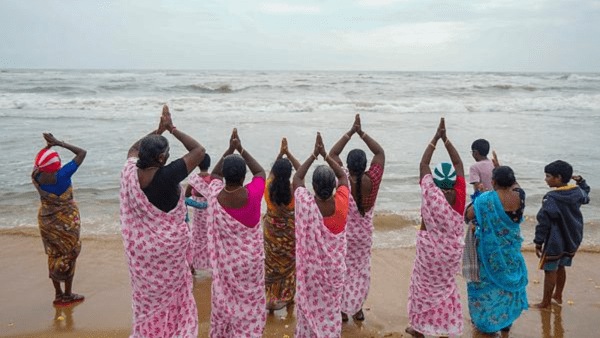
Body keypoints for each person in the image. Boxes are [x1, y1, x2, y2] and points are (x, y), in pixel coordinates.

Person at [119, 105, 205, 337]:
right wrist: (171, 128)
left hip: (142, 251)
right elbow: (199, 150)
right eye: (166, 153)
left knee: (147, 300)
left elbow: (133, 148)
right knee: (173, 299)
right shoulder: (167, 176)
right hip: (167, 253)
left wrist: (158, 131)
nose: (168, 156)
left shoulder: (129, 171)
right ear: (160, 158)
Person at [188, 128, 267, 337]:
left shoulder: (214, 195)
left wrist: (229, 149)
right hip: (250, 263)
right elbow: (260, 172)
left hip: (227, 264)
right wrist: (240, 148)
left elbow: (214, 175)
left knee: (227, 301)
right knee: (250, 303)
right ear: (243, 176)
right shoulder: (253, 193)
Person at [405, 118, 466, 338]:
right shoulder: (459, 197)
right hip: (451, 251)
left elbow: (423, 165)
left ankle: (420, 328)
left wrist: (435, 138)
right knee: (445, 289)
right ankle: (444, 328)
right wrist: (446, 139)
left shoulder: (430, 191)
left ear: (436, 181)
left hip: (430, 250)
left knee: (423, 288)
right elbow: (458, 165)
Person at [329, 114, 385, 322]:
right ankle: (357, 308)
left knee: (344, 269)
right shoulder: (373, 179)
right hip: (363, 237)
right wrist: (361, 132)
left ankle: (343, 310)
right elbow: (379, 152)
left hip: (344, 235)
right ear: (365, 166)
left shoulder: (341, 178)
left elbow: (333, 153)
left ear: (349, 166)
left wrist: (350, 132)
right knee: (360, 272)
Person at [293, 132, 350, 338]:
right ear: (334, 186)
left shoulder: (306, 204)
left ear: (314, 187)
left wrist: (313, 155)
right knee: (330, 310)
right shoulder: (343, 204)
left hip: (311, 272)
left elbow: (297, 178)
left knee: (309, 310)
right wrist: (325, 155)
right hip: (334, 271)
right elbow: (343, 176)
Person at [465, 165, 528, 334]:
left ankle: (486, 322)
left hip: (489, 253)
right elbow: (516, 186)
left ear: (493, 181)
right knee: (506, 285)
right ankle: (506, 321)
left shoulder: (485, 199)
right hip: (510, 251)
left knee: (486, 285)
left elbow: (467, 215)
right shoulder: (520, 196)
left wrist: (478, 195)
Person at [31, 133, 87, 306]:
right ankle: (68, 295)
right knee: (69, 255)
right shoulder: (62, 175)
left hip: (47, 221)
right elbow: (82, 153)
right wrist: (58, 143)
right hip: (67, 222)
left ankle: (58, 294)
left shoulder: (36, 176)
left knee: (54, 255)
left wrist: (47, 147)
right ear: (56, 167)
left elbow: (40, 161)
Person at [533, 160, 590, 309]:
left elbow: (543, 221)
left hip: (555, 239)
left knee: (550, 269)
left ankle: (545, 302)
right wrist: (582, 182)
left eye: (548, 176)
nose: (546, 179)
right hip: (573, 236)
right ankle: (558, 294)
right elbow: (586, 195)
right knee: (561, 265)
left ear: (558, 177)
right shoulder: (577, 192)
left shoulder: (551, 198)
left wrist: (538, 241)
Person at [264, 137, 301, 311]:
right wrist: (289, 154)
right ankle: (288, 297)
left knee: (272, 265)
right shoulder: (294, 189)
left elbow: (271, 173)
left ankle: (271, 299)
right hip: (289, 234)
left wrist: (280, 154)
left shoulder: (268, 186)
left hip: (271, 232)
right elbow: (301, 170)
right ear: (289, 174)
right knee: (289, 266)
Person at [185, 153, 212, 273]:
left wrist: (196, 194)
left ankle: (193, 266)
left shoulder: (194, 179)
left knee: (198, 240)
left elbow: (186, 195)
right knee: (211, 238)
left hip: (198, 216)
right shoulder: (213, 180)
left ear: (197, 165)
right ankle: (213, 265)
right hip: (211, 214)